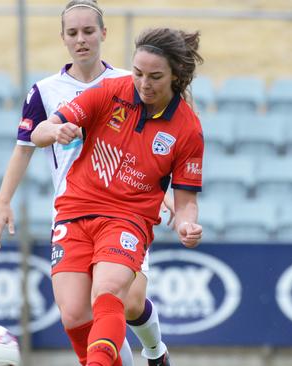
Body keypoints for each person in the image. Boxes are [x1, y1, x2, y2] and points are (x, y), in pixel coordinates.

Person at [0, 2, 174, 365]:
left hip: (125, 209)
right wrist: (3, 201)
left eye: (88, 31)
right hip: (73, 212)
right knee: (81, 314)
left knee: (128, 302)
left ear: (104, 33)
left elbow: (153, 144)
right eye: (72, 33)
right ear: (62, 38)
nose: (81, 40)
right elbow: (25, 146)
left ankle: (155, 350)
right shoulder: (44, 92)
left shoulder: (131, 83)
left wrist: (164, 191)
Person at [29, 26, 204, 366]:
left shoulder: (188, 129)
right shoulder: (110, 91)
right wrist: (55, 130)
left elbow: (185, 202)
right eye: (138, 73)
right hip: (74, 211)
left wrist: (187, 224)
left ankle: (146, 353)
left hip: (128, 218)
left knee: (110, 294)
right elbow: (38, 133)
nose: (143, 83)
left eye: (155, 76)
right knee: (74, 315)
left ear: (176, 76)